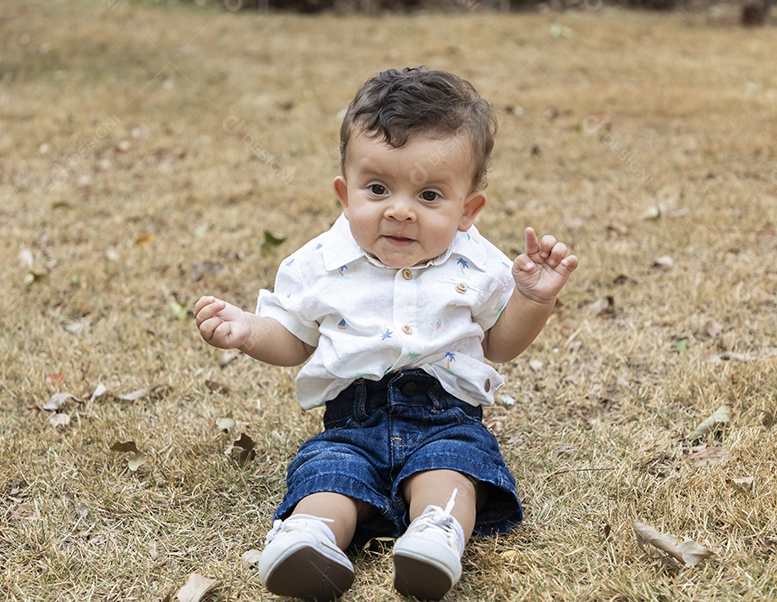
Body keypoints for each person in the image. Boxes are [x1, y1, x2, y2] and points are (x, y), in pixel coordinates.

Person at [194, 67, 578, 600]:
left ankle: (435, 535)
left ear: (467, 211)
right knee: (329, 474)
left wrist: (535, 298)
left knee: (453, 469)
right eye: (377, 188)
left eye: (428, 195)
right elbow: (295, 339)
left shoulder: (479, 266)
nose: (399, 210)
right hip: (351, 420)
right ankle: (311, 537)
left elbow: (498, 345)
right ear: (345, 195)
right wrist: (248, 331)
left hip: (446, 418)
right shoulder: (320, 264)